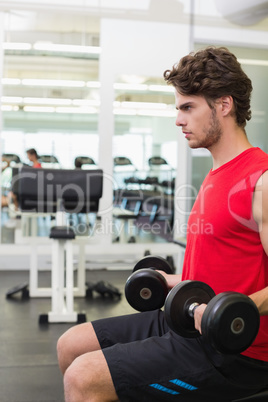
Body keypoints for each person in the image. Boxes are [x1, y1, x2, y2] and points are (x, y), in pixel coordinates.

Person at [56, 47, 268, 402]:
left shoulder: (260, 179)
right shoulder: (217, 174)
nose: (178, 120)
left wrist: (222, 311)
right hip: (190, 322)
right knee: (71, 345)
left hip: (235, 348)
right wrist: (180, 285)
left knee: (83, 377)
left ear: (224, 105)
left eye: (188, 107)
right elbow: (226, 264)